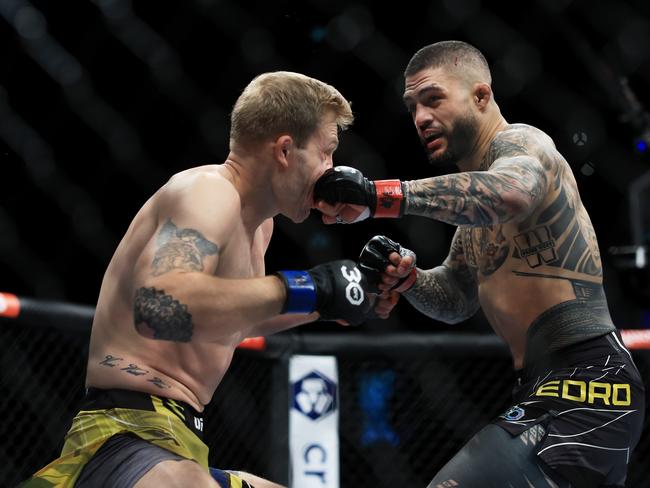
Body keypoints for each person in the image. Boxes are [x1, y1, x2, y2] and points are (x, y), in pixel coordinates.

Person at [21, 71, 396, 488]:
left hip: (180, 438)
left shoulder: (259, 227)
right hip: (124, 431)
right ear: (286, 150)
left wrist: (334, 299)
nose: (331, 169)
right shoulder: (208, 191)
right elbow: (159, 305)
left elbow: (231, 321)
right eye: (326, 152)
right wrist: (307, 286)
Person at [314, 41, 645, 488]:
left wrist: (380, 196)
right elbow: (456, 300)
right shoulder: (473, 221)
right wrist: (410, 279)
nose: (421, 118)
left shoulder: (525, 144)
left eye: (433, 99)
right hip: (541, 384)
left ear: (481, 96)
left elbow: (510, 193)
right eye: (412, 107)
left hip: (587, 381)